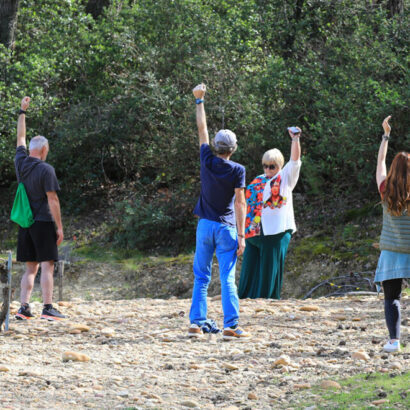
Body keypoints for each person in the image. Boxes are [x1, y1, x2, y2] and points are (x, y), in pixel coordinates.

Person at [188, 83, 250, 340]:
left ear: (215, 146)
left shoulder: (206, 159)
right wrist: (242, 235)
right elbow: (240, 203)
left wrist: (199, 100)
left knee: (201, 276)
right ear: (233, 149)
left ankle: (196, 322)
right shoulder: (238, 170)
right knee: (227, 278)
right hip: (226, 228)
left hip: (204, 226)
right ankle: (231, 325)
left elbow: (201, 129)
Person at [14, 96, 66, 321]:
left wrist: (22, 112)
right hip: (43, 221)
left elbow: (20, 137)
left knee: (30, 268)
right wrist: (60, 227)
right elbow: (52, 200)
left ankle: (23, 308)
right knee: (47, 265)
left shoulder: (20, 162)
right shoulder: (47, 169)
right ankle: (47, 307)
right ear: (44, 149)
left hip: (25, 222)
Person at [238, 127, 302, 299]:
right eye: (265, 166)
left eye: (271, 166)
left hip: (275, 231)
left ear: (279, 165)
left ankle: (266, 300)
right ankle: (244, 298)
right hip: (253, 231)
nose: (267, 170)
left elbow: (295, 161)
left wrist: (295, 139)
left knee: (268, 269)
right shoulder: (258, 179)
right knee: (249, 269)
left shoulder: (285, 178)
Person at [375, 115, 409, 353]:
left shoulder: (385, 190)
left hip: (391, 253)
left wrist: (386, 135)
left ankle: (394, 341)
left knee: (392, 298)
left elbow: (380, 163)